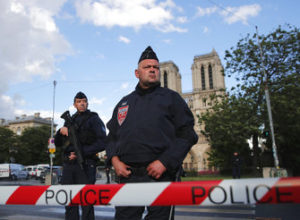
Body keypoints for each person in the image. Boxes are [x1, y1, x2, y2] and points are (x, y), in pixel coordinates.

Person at [106, 46, 198, 220]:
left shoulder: (171, 98)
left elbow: (187, 134)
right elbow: (112, 137)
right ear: (137, 73)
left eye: (155, 67)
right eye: (147, 67)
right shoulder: (124, 103)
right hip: (128, 177)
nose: (152, 70)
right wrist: (114, 160)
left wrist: (165, 161)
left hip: (161, 176)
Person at [54, 91, 106, 220]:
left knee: (86, 202)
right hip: (69, 165)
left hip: (86, 164)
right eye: (79, 102)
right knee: (70, 201)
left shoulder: (94, 119)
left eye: (84, 101)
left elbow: (102, 142)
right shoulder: (70, 121)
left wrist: (81, 153)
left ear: (87, 103)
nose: (82, 104)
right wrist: (60, 132)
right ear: (74, 104)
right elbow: (59, 143)